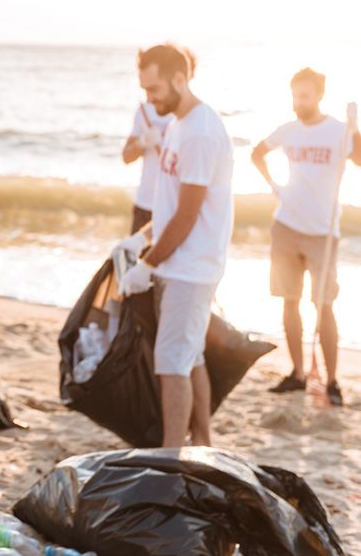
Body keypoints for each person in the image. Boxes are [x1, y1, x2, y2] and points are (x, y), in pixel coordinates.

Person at [119, 44, 234, 448]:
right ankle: (201, 442)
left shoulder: (201, 132)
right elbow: (169, 209)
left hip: (191, 267)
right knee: (190, 357)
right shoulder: (178, 124)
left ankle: (172, 455)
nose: (150, 99)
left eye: (155, 89)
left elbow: (187, 217)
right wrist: (142, 237)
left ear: (180, 79)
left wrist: (147, 265)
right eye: (145, 90)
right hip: (178, 262)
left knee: (171, 362)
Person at [250, 68, 361, 406]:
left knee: (324, 305)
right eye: (295, 96)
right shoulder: (289, 130)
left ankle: (331, 380)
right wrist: (274, 187)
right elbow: (256, 153)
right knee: (289, 300)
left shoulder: (338, 132)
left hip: (322, 233)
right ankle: (297, 373)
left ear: (319, 95)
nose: (299, 103)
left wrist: (355, 131)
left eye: (305, 96)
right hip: (286, 227)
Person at [122, 102, 174, 233]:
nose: (149, 96)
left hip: (172, 207)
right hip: (144, 204)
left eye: (153, 89)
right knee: (136, 251)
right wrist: (141, 142)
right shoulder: (144, 111)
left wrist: (163, 143)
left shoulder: (183, 116)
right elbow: (126, 157)